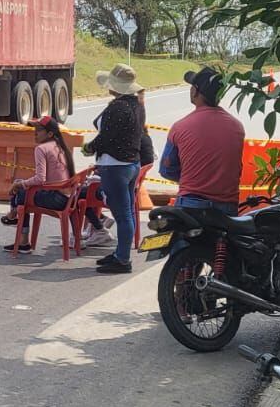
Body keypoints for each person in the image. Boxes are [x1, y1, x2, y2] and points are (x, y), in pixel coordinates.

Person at [0, 115, 104, 252]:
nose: (35, 133)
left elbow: (40, 179)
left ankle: (18, 228)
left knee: (20, 193)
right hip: (68, 198)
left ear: (49, 133)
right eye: (34, 129)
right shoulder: (60, 147)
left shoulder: (41, 149)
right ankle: (14, 217)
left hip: (55, 199)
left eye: (39, 130)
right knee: (22, 190)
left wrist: (19, 184)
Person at [82, 64, 148, 274]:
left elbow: (105, 137)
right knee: (126, 212)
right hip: (131, 163)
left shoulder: (117, 108)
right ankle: (121, 252)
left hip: (115, 166)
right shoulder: (137, 105)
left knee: (122, 214)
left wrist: (89, 148)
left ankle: (122, 259)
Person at [159, 67, 245, 220]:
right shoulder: (237, 127)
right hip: (227, 209)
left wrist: (192, 178)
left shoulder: (180, 127)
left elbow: (166, 170)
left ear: (195, 91)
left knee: (174, 242)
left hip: (190, 206)